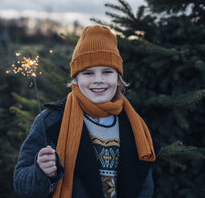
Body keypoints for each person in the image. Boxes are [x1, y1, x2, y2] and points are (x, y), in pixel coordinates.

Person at [13, 24, 161, 198]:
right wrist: (42, 172)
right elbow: (21, 183)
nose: (98, 80)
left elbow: (144, 188)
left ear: (118, 79)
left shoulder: (134, 125)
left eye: (107, 72)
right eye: (88, 73)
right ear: (75, 79)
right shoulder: (51, 121)